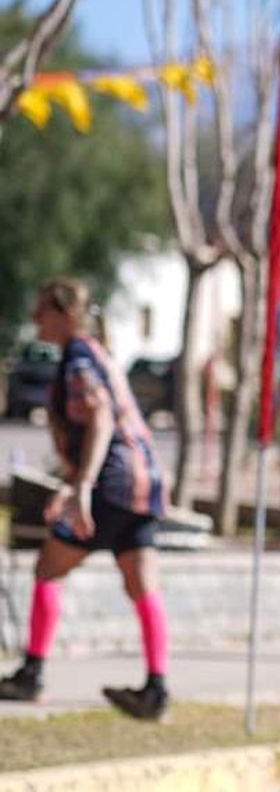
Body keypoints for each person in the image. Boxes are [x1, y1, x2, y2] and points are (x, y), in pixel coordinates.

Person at [0, 278, 171, 720]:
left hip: (112, 486)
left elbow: (100, 420)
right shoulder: (97, 353)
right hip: (144, 485)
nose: (36, 318)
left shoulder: (78, 359)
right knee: (142, 584)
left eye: (42, 310)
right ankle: (156, 688)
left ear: (63, 314)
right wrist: (72, 483)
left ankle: (32, 673)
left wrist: (84, 487)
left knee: (48, 568)